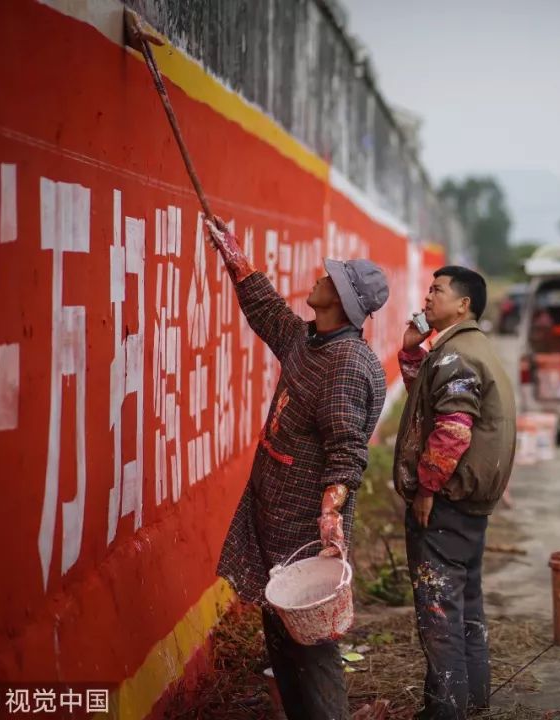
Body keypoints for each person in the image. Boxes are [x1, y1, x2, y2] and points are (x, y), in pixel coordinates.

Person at [208, 217, 389, 720]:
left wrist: (330, 515)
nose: (319, 278)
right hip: (277, 518)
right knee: (282, 637)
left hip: (306, 531)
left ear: (343, 301)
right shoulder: (313, 342)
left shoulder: (346, 364)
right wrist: (236, 259)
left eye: (330, 278)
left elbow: (347, 451)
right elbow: (269, 314)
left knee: (310, 646)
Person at [393, 267, 517, 720]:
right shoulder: (464, 350)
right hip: (469, 507)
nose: (427, 297)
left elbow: (450, 431)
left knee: (440, 615)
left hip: (446, 504)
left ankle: (446, 711)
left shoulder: (457, 357)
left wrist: (427, 488)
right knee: (465, 606)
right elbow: (428, 403)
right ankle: (472, 701)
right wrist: (411, 350)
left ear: (463, 305)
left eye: (437, 291)